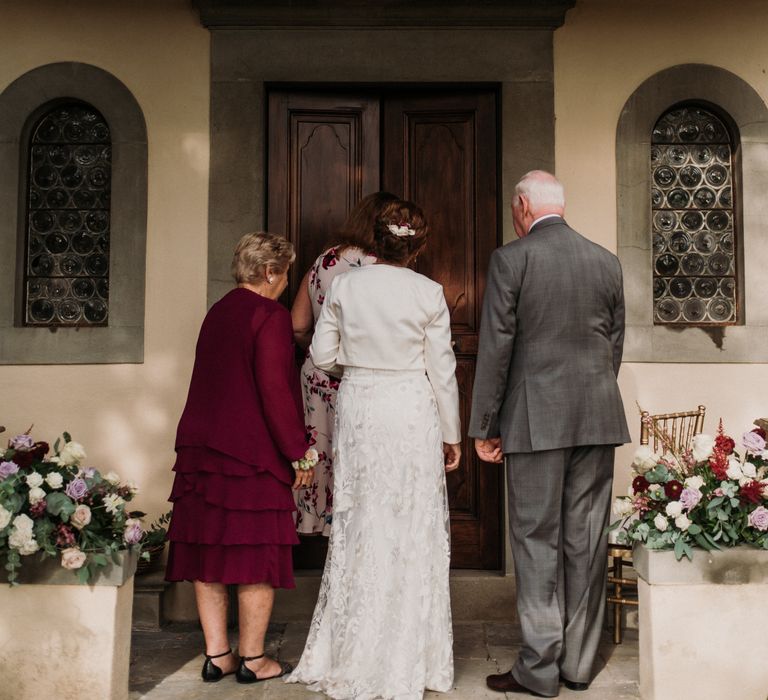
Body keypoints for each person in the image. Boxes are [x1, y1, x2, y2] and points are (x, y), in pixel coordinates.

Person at [287, 199, 462, 699]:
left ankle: (352, 649)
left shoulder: (345, 284)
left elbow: (321, 355)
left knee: (361, 521)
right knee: (410, 525)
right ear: (417, 246)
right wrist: (451, 435)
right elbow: (442, 371)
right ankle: (412, 655)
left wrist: (358, 372)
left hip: (361, 408)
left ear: (378, 241)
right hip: (409, 407)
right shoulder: (429, 292)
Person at [469, 171, 630, 697]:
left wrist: (485, 426)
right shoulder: (606, 260)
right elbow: (614, 346)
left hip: (536, 420)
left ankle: (539, 669)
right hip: (597, 415)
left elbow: (496, 348)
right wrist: (593, 398)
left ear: (521, 206)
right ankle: (578, 665)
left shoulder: (512, 259)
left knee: (536, 539)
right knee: (585, 537)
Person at [165, 232, 315, 685]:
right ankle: (253, 659)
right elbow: (273, 391)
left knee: (208, 552)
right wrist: (299, 454)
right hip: (249, 454)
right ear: (270, 272)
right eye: (286, 272)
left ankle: (218, 655)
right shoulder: (268, 315)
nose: (286, 282)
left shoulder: (218, 311)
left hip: (200, 450)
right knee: (256, 557)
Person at [291, 191, 398, 536]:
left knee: (323, 453)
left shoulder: (325, 260)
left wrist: (319, 349)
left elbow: (297, 324)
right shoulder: (382, 265)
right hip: (364, 379)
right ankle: (358, 536)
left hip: (320, 376)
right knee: (360, 458)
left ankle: (321, 524)